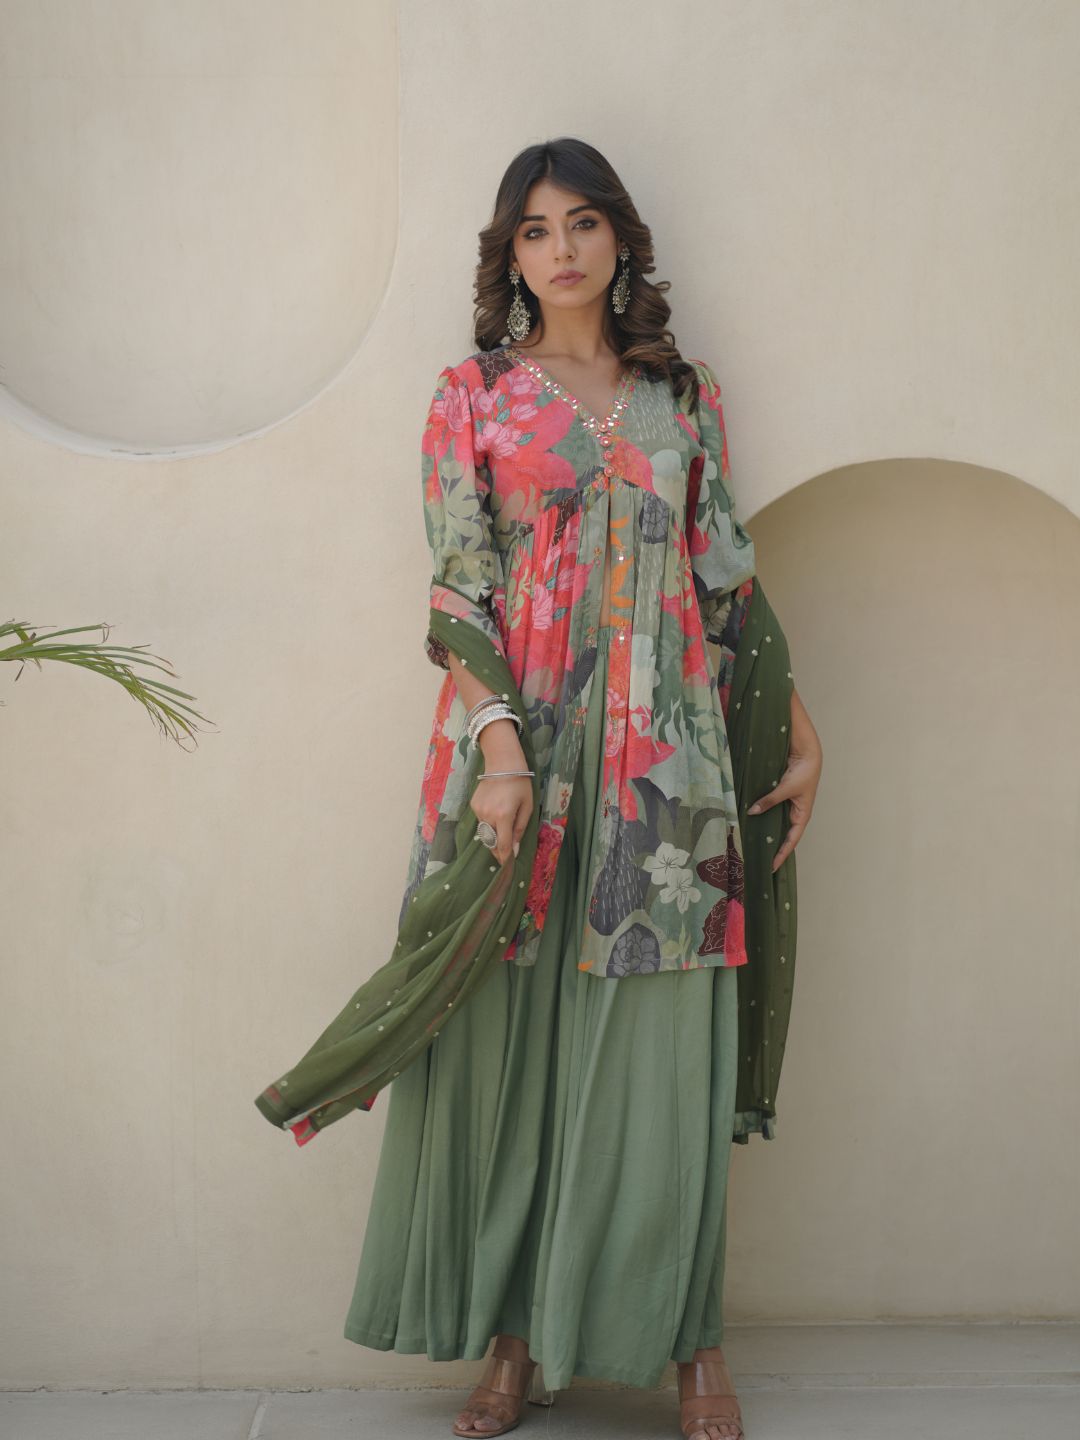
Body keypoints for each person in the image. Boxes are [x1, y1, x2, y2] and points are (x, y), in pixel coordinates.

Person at [342, 137, 823, 1440]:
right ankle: (515, 1343)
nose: (562, 250)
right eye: (536, 230)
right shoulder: (474, 396)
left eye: (584, 223)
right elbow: (459, 590)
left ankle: (693, 1346)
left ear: (621, 239)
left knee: (663, 1056)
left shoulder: (683, 394)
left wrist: (800, 730)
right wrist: (501, 752)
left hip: (667, 764)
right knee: (513, 1048)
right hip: (526, 755)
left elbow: (726, 580)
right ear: (510, 254)